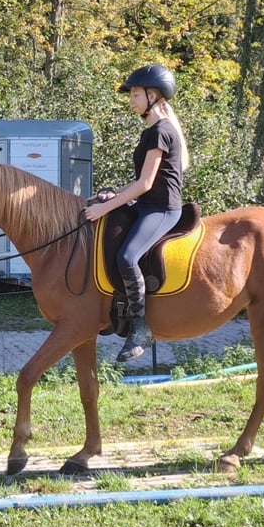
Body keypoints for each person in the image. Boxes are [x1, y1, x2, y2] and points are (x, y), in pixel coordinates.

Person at [83, 64, 189, 362]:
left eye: (135, 93)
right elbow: (139, 182)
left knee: (127, 257)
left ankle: (140, 328)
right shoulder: (151, 131)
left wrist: (106, 207)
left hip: (162, 209)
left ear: (153, 95)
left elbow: (145, 184)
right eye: (131, 93)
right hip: (146, 206)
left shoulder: (161, 132)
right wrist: (112, 195)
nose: (131, 99)